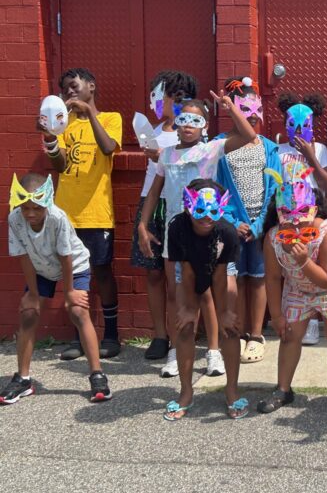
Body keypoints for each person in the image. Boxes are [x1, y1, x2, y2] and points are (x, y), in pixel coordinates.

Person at [138, 93, 257, 378]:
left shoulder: (212, 149)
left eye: (196, 120)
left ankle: (213, 351)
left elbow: (249, 135)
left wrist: (229, 109)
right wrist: (143, 226)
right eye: (183, 119)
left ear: (204, 126)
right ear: (176, 124)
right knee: (174, 292)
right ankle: (176, 350)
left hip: (206, 229)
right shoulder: (165, 155)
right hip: (174, 232)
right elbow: (155, 191)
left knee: (207, 293)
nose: (188, 125)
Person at [259, 163, 327, 420]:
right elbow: (272, 278)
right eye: (288, 215)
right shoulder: (274, 237)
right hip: (299, 287)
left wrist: (304, 261)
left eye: (303, 213)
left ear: (314, 210)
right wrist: (276, 315)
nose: (296, 223)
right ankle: (283, 389)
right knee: (289, 334)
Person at [1, 173, 112, 405]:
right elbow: (23, 257)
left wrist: (69, 292)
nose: (31, 214)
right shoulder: (14, 219)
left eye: (37, 208)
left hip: (73, 265)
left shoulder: (58, 218)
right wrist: (32, 294)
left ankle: (97, 375)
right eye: (26, 208)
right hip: (40, 267)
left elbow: (66, 256)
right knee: (28, 314)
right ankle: (23, 379)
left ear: (47, 203)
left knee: (78, 311)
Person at [40, 68, 122, 360]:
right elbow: (60, 166)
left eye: (73, 86)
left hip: (97, 212)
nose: (69, 92)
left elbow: (108, 147)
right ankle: (78, 337)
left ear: (91, 86)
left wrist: (90, 113)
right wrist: (51, 139)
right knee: (73, 275)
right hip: (66, 213)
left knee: (101, 272)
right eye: (65, 89)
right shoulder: (65, 125)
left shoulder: (111, 118)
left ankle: (111, 336)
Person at [164, 179, 246, 420]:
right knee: (184, 326)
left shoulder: (227, 232)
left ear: (221, 209)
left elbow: (220, 277)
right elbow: (187, 272)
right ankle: (186, 391)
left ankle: (231, 391)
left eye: (213, 211)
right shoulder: (177, 226)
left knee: (230, 327)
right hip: (189, 265)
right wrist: (189, 309)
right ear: (188, 207)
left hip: (219, 264)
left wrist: (225, 313)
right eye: (199, 210)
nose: (205, 217)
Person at [131, 70, 198, 361]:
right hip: (151, 201)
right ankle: (160, 334)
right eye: (166, 96)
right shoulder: (153, 131)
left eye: (177, 97)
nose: (169, 103)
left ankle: (185, 335)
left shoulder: (193, 131)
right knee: (155, 272)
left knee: (184, 277)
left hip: (181, 205)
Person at [215, 76, 281, 364]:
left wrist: (258, 225)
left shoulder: (268, 147)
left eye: (257, 111)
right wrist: (231, 221)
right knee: (236, 278)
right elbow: (214, 188)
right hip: (231, 226)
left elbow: (275, 187)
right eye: (245, 111)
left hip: (260, 225)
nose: (252, 117)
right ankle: (238, 333)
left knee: (258, 278)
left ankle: (256, 335)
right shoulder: (218, 146)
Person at [276, 90, 327, 345]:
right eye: (293, 124)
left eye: (305, 125)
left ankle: (313, 320)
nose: (299, 130)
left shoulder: (320, 149)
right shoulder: (277, 150)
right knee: (290, 264)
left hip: (313, 214)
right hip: (286, 214)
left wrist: (311, 155)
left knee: (312, 262)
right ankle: (291, 315)